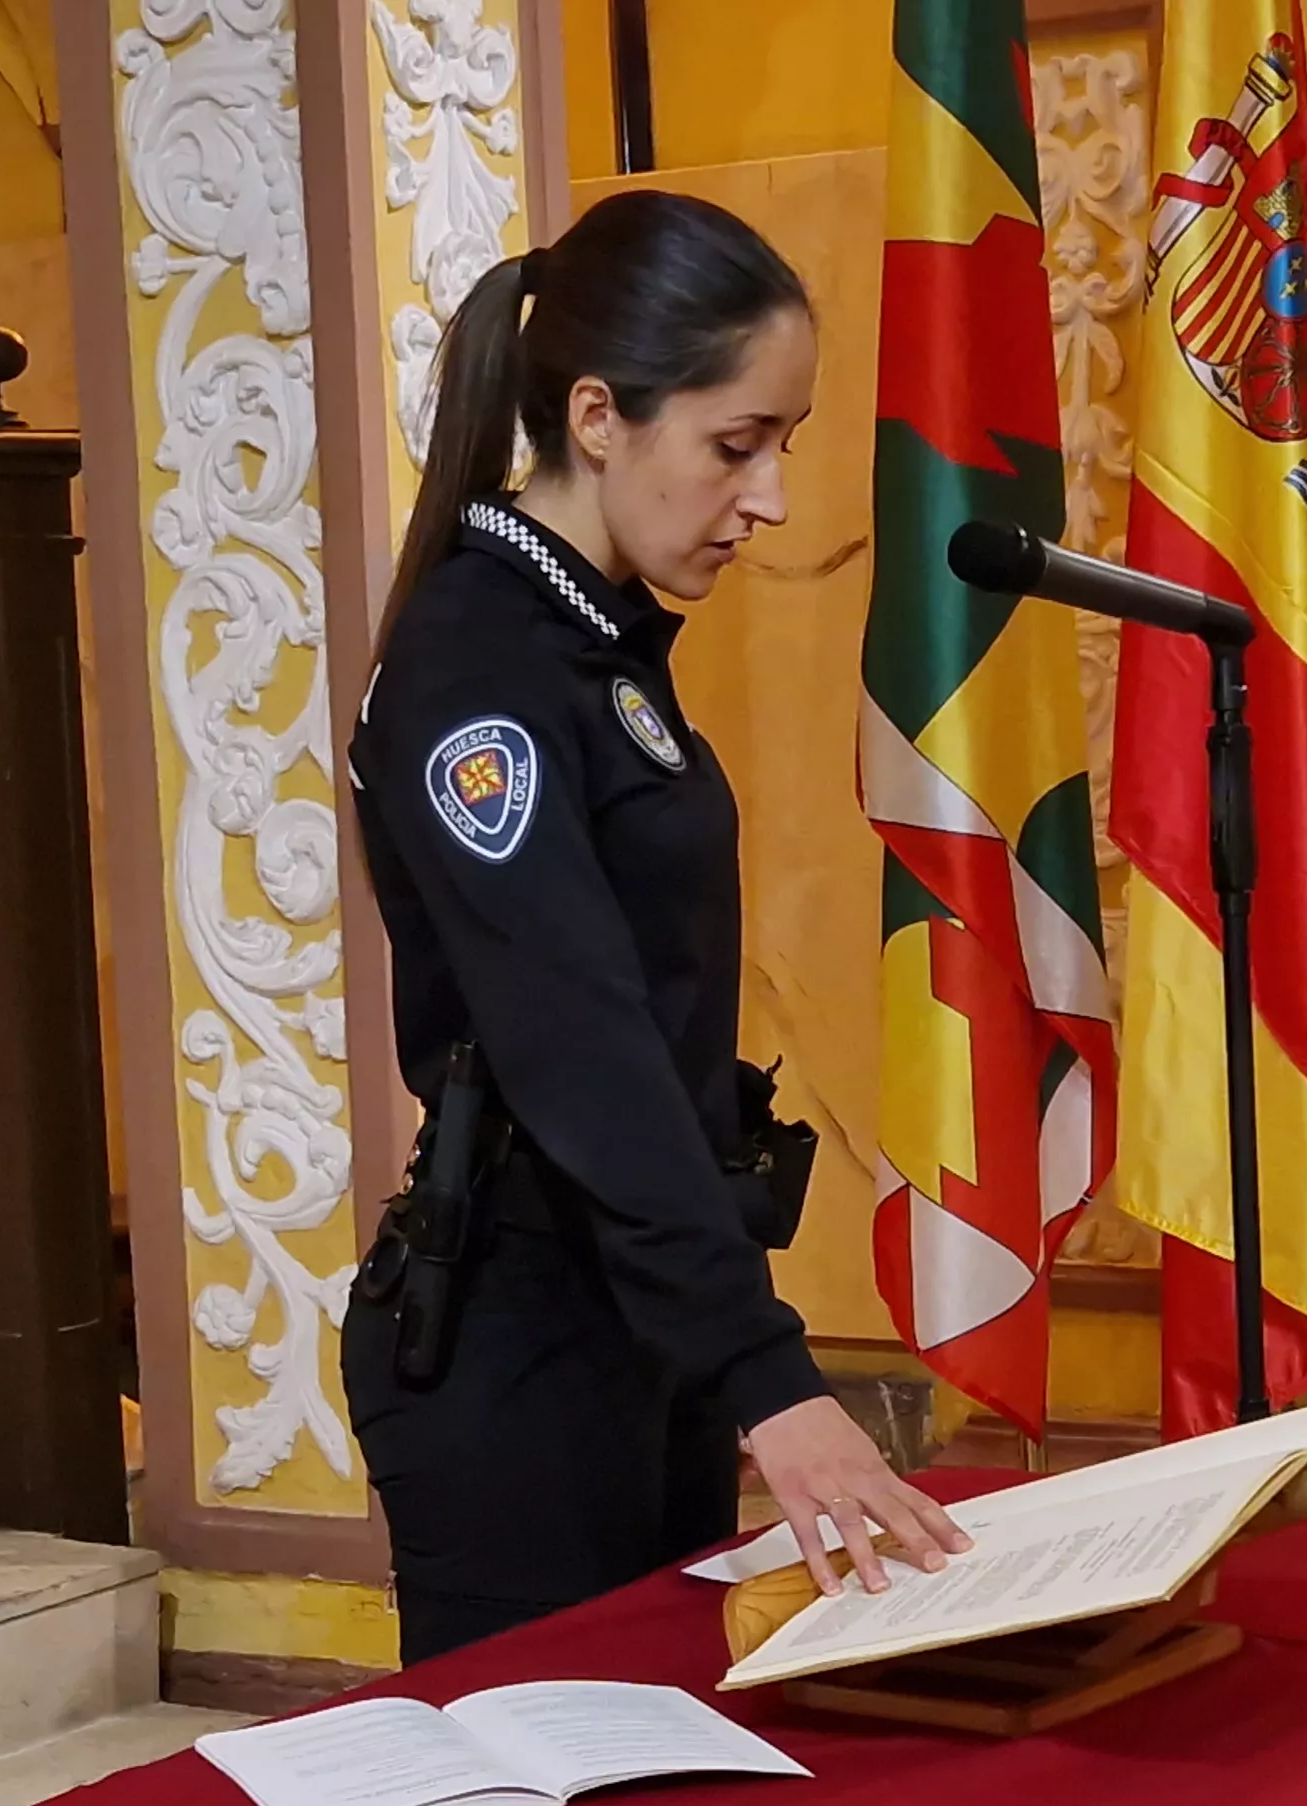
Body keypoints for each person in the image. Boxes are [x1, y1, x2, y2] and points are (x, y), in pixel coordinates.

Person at [344, 190, 969, 1666]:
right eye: (735, 445)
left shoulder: (593, 646)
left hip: (636, 1329)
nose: (769, 499)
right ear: (599, 415)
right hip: (519, 1351)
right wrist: (769, 1377)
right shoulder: (477, 666)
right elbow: (580, 1050)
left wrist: (718, 1354)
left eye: (784, 447)